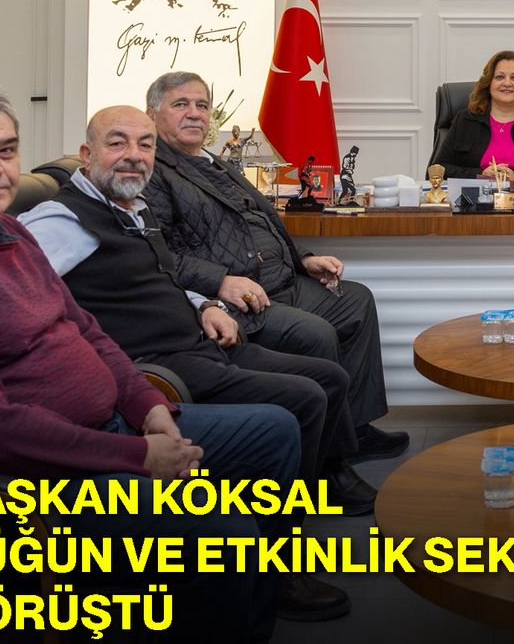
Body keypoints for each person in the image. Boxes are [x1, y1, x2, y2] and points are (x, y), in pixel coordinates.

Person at [0, 83, 306, 641]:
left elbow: (85, 329)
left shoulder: (8, 230)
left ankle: (249, 598)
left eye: (5, 150)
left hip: (105, 430)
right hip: (15, 481)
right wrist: (138, 455)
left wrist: (147, 406)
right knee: (224, 533)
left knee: (274, 431)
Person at [139, 71, 408, 462]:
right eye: (181, 104)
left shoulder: (213, 161)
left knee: (357, 301)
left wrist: (304, 259)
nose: (195, 113)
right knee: (317, 334)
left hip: (284, 280)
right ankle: (330, 463)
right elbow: (158, 254)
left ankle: (355, 430)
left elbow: (261, 222)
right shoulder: (153, 172)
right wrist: (220, 281)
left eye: (202, 105)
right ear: (152, 114)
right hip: (243, 299)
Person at [430, 50, 514, 182]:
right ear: (488, 84)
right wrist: (480, 174)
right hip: (475, 196)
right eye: (500, 77)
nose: (507, 83)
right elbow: (437, 170)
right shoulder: (465, 120)